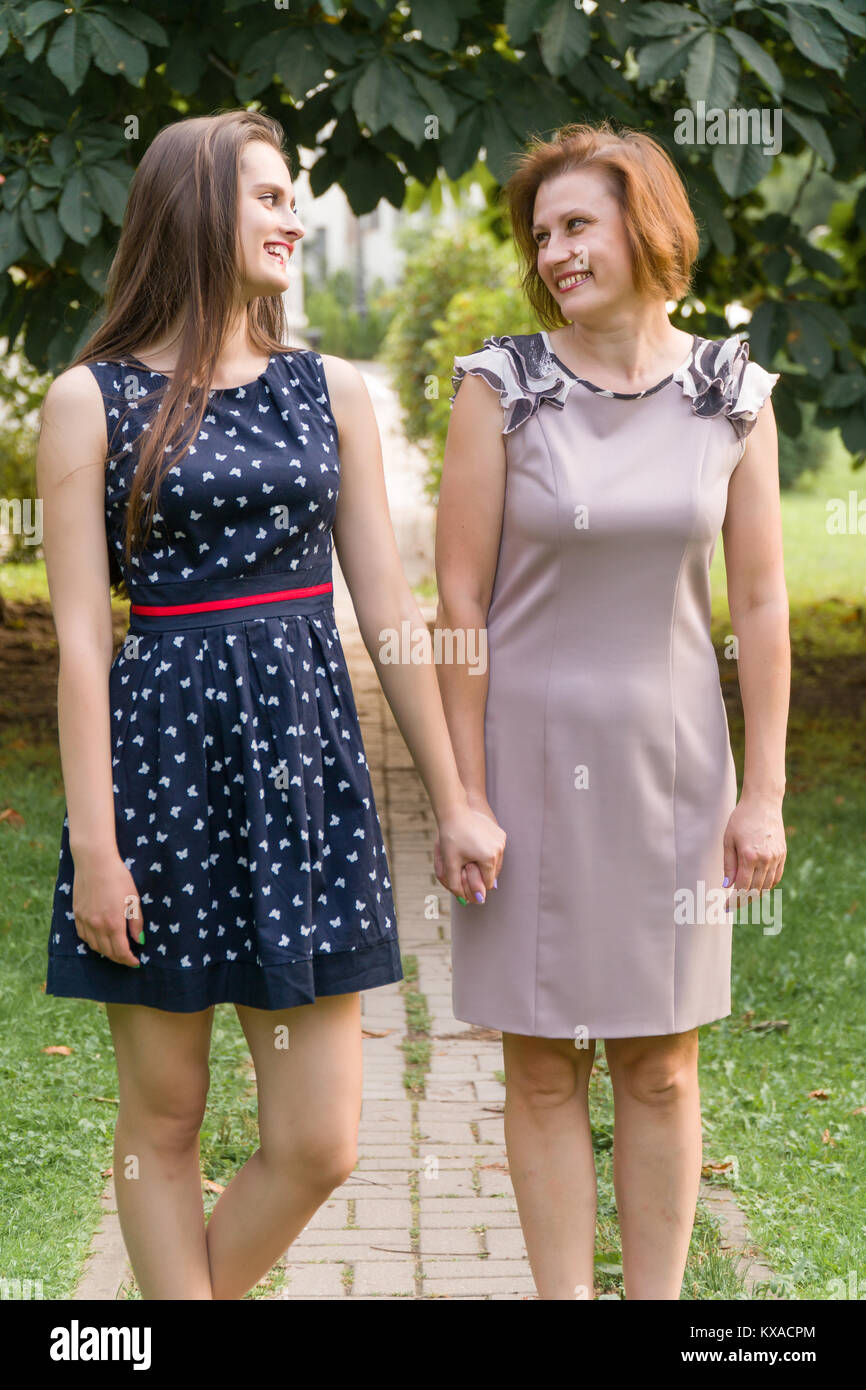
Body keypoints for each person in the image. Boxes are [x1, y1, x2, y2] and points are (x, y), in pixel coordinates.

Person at [38, 108, 504, 1300]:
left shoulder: (327, 390)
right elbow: (84, 644)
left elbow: (390, 618)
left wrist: (454, 797)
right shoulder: (90, 401)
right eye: (267, 193)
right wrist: (96, 847)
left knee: (319, 1142)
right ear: (196, 209)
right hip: (158, 784)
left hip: (306, 779)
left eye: (293, 194)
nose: (292, 214)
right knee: (165, 1117)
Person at [435, 121, 789, 1300]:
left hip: (674, 768)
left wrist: (763, 795)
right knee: (540, 1068)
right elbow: (455, 599)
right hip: (525, 769)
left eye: (577, 224)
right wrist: (464, 793)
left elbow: (761, 601)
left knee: (661, 1065)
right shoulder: (497, 388)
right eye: (541, 235)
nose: (555, 253)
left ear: (645, 226)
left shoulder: (732, 394)